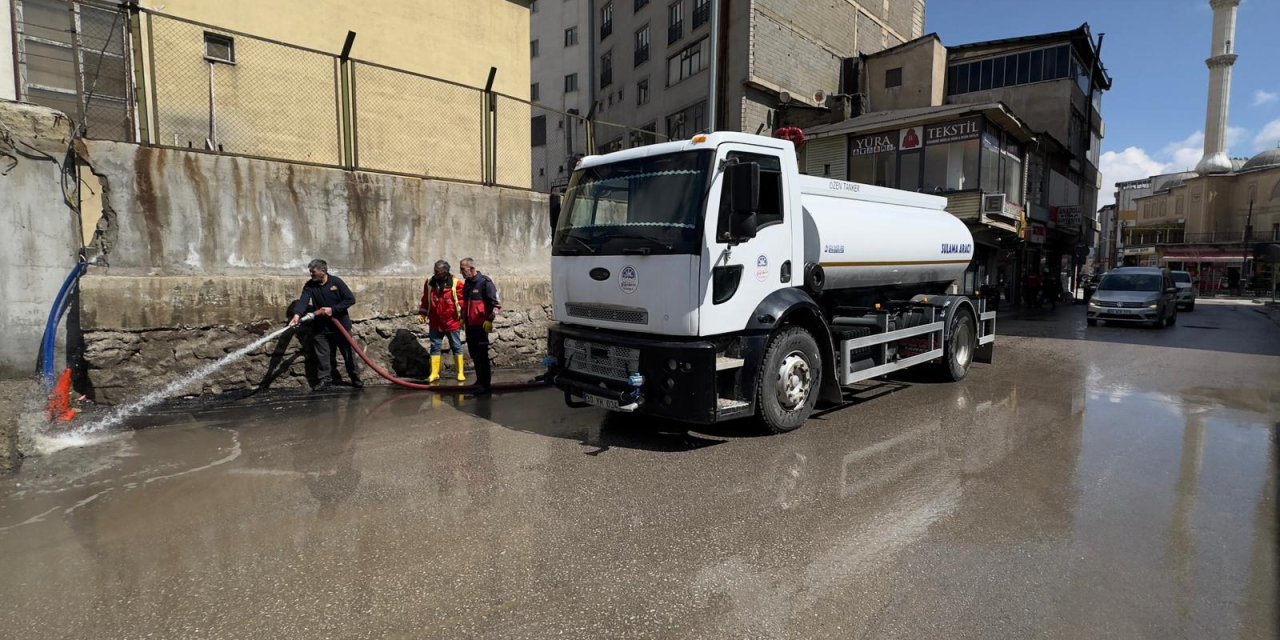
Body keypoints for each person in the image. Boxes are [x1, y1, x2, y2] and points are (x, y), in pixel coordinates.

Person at [290, 259, 362, 391]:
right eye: (310, 272)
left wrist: (333, 310)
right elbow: (303, 301)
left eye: (313, 272)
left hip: (340, 326)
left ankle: (355, 378)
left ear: (323, 271)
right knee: (322, 355)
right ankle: (325, 380)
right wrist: (297, 315)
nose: (311, 274)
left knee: (348, 353)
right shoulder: (310, 285)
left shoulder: (336, 282)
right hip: (321, 327)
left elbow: (350, 299)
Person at [418, 260, 466, 383]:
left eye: (438, 272)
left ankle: (460, 372)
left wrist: (463, 318)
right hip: (435, 321)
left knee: (456, 346)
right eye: (434, 270)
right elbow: (425, 299)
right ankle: (434, 373)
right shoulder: (429, 283)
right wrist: (423, 313)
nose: (435, 273)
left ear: (445, 272)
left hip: (452, 321)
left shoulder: (456, 284)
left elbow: (463, 301)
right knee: (435, 346)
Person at [459, 257, 501, 394]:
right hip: (470, 325)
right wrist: (462, 319)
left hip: (481, 326)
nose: (461, 272)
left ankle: (486, 385)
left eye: (463, 269)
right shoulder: (467, 284)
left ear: (471, 269)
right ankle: (479, 380)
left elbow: (496, 305)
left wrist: (490, 320)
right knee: (474, 354)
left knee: (482, 355)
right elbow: (465, 305)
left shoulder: (485, 283)